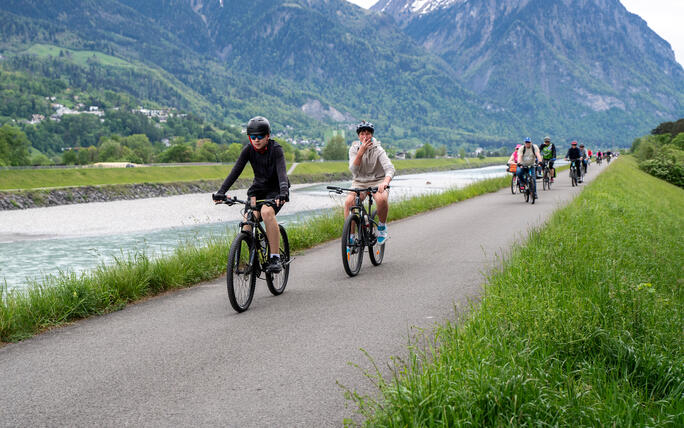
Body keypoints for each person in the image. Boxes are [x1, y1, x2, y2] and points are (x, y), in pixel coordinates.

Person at [213, 116, 289, 273]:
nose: (256, 140)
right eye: (252, 137)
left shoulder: (276, 150)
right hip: (257, 190)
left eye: (260, 136)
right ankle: (252, 258)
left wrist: (283, 192)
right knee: (247, 222)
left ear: (267, 136)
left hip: (276, 190)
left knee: (266, 212)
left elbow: (282, 172)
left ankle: (274, 257)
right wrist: (221, 192)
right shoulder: (248, 150)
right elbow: (235, 171)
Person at [346, 120, 395, 244]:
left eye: (368, 134)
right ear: (358, 136)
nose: (365, 136)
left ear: (371, 135)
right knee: (349, 203)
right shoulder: (353, 149)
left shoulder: (378, 149)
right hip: (359, 182)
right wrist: (360, 153)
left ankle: (382, 227)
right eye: (362, 134)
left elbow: (390, 168)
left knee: (381, 199)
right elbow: (353, 170)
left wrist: (385, 182)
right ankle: (351, 237)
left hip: (378, 181)